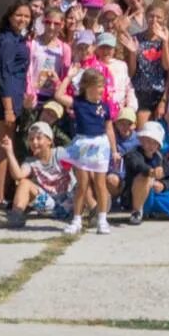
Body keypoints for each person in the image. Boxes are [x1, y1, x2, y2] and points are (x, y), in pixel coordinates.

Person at [0, 0, 35, 209]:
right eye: (19, 15)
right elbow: (3, 74)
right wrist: (7, 107)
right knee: (2, 149)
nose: (22, 19)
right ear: (9, 16)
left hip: (15, 97)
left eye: (27, 16)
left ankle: (1, 193)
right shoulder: (6, 40)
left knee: (8, 148)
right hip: (5, 100)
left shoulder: (18, 38)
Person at [59, 66, 115, 234]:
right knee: (82, 184)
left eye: (102, 86)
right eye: (98, 86)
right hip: (83, 144)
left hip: (101, 146)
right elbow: (58, 96)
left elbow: (109, 129)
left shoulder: (104, 107)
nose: (101, 90)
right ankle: (76, 220)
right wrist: (68, 77)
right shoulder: (78, 103)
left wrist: (114, 150)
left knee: (100, 184)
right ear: (87, 86)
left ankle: (102, 219)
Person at [3, 121, 72, 228]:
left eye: (39, 138)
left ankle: (95, 210)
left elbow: (77, 168)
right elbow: (18, 175)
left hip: (68, 203)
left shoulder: (60, 154)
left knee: (83, 179)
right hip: (47, 205)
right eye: (31, 139)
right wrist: (9, 152)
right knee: (24, 182)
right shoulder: (30, 162)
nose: (34, 142)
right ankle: (16, 215)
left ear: (49, 141)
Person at [121, 121, 169, 223]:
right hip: (136, 196)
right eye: (148, 141)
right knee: (145, 177)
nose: (151, 145)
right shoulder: (133, 154)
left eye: (154, 142)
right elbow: (137, 165)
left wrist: (163, 185)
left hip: (156, 195)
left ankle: (156, 212)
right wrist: (151, 172)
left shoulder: (160, 158)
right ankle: (136, 212)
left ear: (159, 145)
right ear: (141, 139)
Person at [133, 3, 169, 119]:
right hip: (141, 91)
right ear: (146, 17)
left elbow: (167, 66)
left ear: (164, 19)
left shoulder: (168, 39)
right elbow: (132, 71)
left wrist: (164, 42)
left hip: (159, 92)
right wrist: (131, 52)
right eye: (151, 16)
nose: (154, 20)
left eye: (158, 17)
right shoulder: (136, 38)